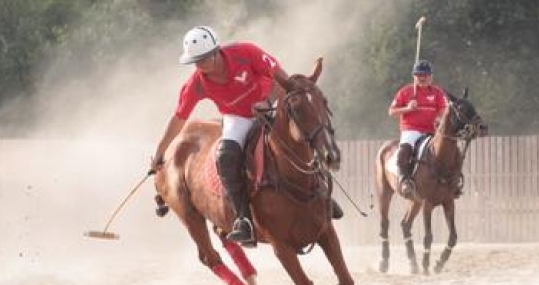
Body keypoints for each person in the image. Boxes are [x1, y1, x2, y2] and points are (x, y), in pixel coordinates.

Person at [150, 26, 342, 248]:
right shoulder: (197, 84)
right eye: (195, 61)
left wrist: (276, 103)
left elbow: (281, 77)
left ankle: (322, 195)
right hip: (237, 117)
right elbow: (178, 118)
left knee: (303, 133)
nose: (200, 65)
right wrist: (160, 151)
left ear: (216, 51)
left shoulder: (245, 52)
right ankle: (243, 219)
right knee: (226, 156)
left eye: (204, 58)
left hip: (272, 101)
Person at [388, 60, 448, 197]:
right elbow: (391, 111)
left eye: (425, 75)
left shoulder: (437, 92)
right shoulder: (406, 91)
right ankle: (404, 180)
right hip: (411, 130)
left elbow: (444, 110)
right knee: (405, 149)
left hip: (432, 131)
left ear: (431, 76)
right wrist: (407, 108)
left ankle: (450, 182)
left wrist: (439, 118)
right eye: (419, 75)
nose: (422, 78)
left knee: (447, 150)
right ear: (414, 76)